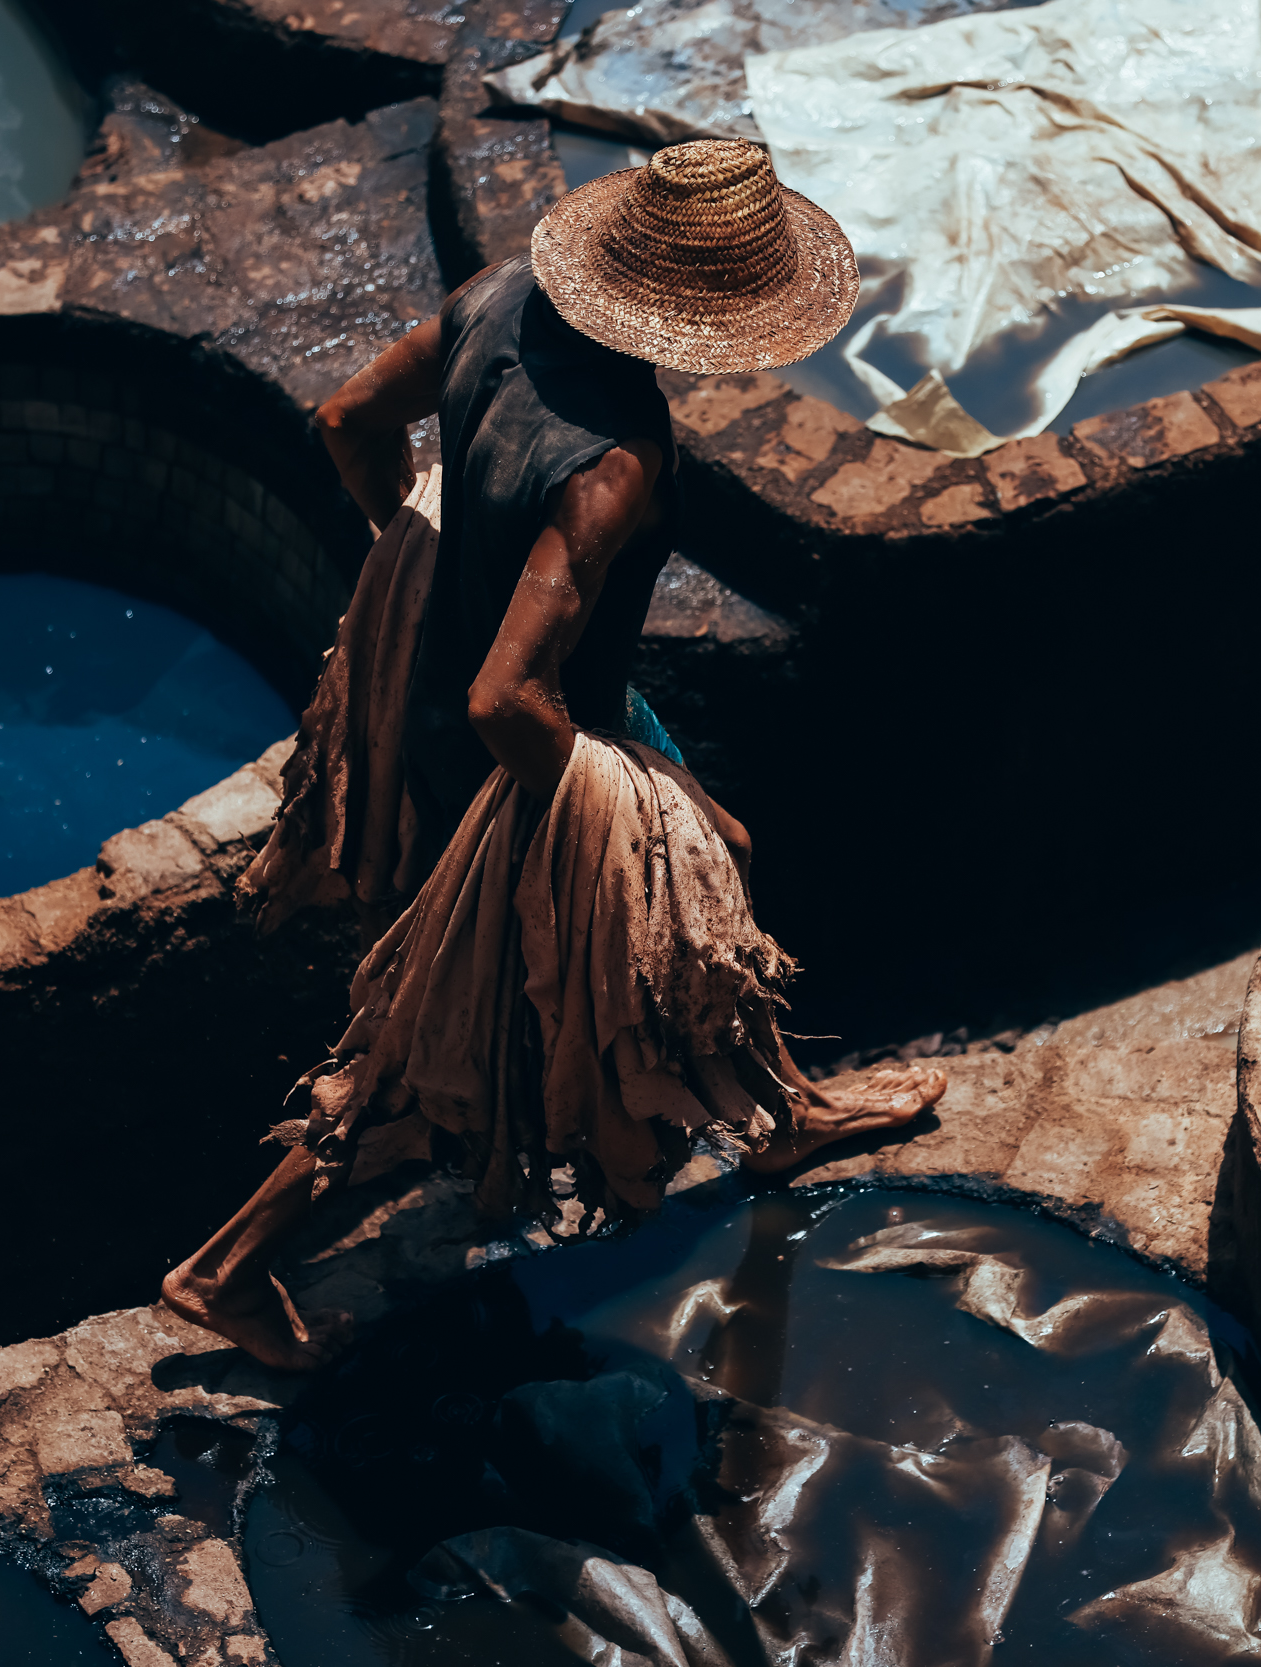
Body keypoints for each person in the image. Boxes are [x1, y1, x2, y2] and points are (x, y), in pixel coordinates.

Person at [161, 140, 946, 1370]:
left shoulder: (498, 294)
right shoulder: (614, 463)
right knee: (438, 1038)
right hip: (511, 753)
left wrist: (429, 547)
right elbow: (506, 701)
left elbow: (346, 420)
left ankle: (785, 1113)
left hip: (454, 690)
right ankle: (228, 1267)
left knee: (719, 862)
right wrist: (633, 816)